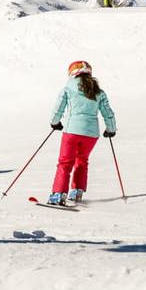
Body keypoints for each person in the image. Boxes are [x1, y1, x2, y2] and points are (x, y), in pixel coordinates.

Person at [47, 60, 117, 205]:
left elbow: (58, 108)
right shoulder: (98, 91)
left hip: (72, 131)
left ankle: (58, 195)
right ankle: (76, 192)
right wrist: (111, 129)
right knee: (82, 161)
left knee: (65, 163)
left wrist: (55, 122)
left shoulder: (68, 88)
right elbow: (108, 113)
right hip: (91, 134)